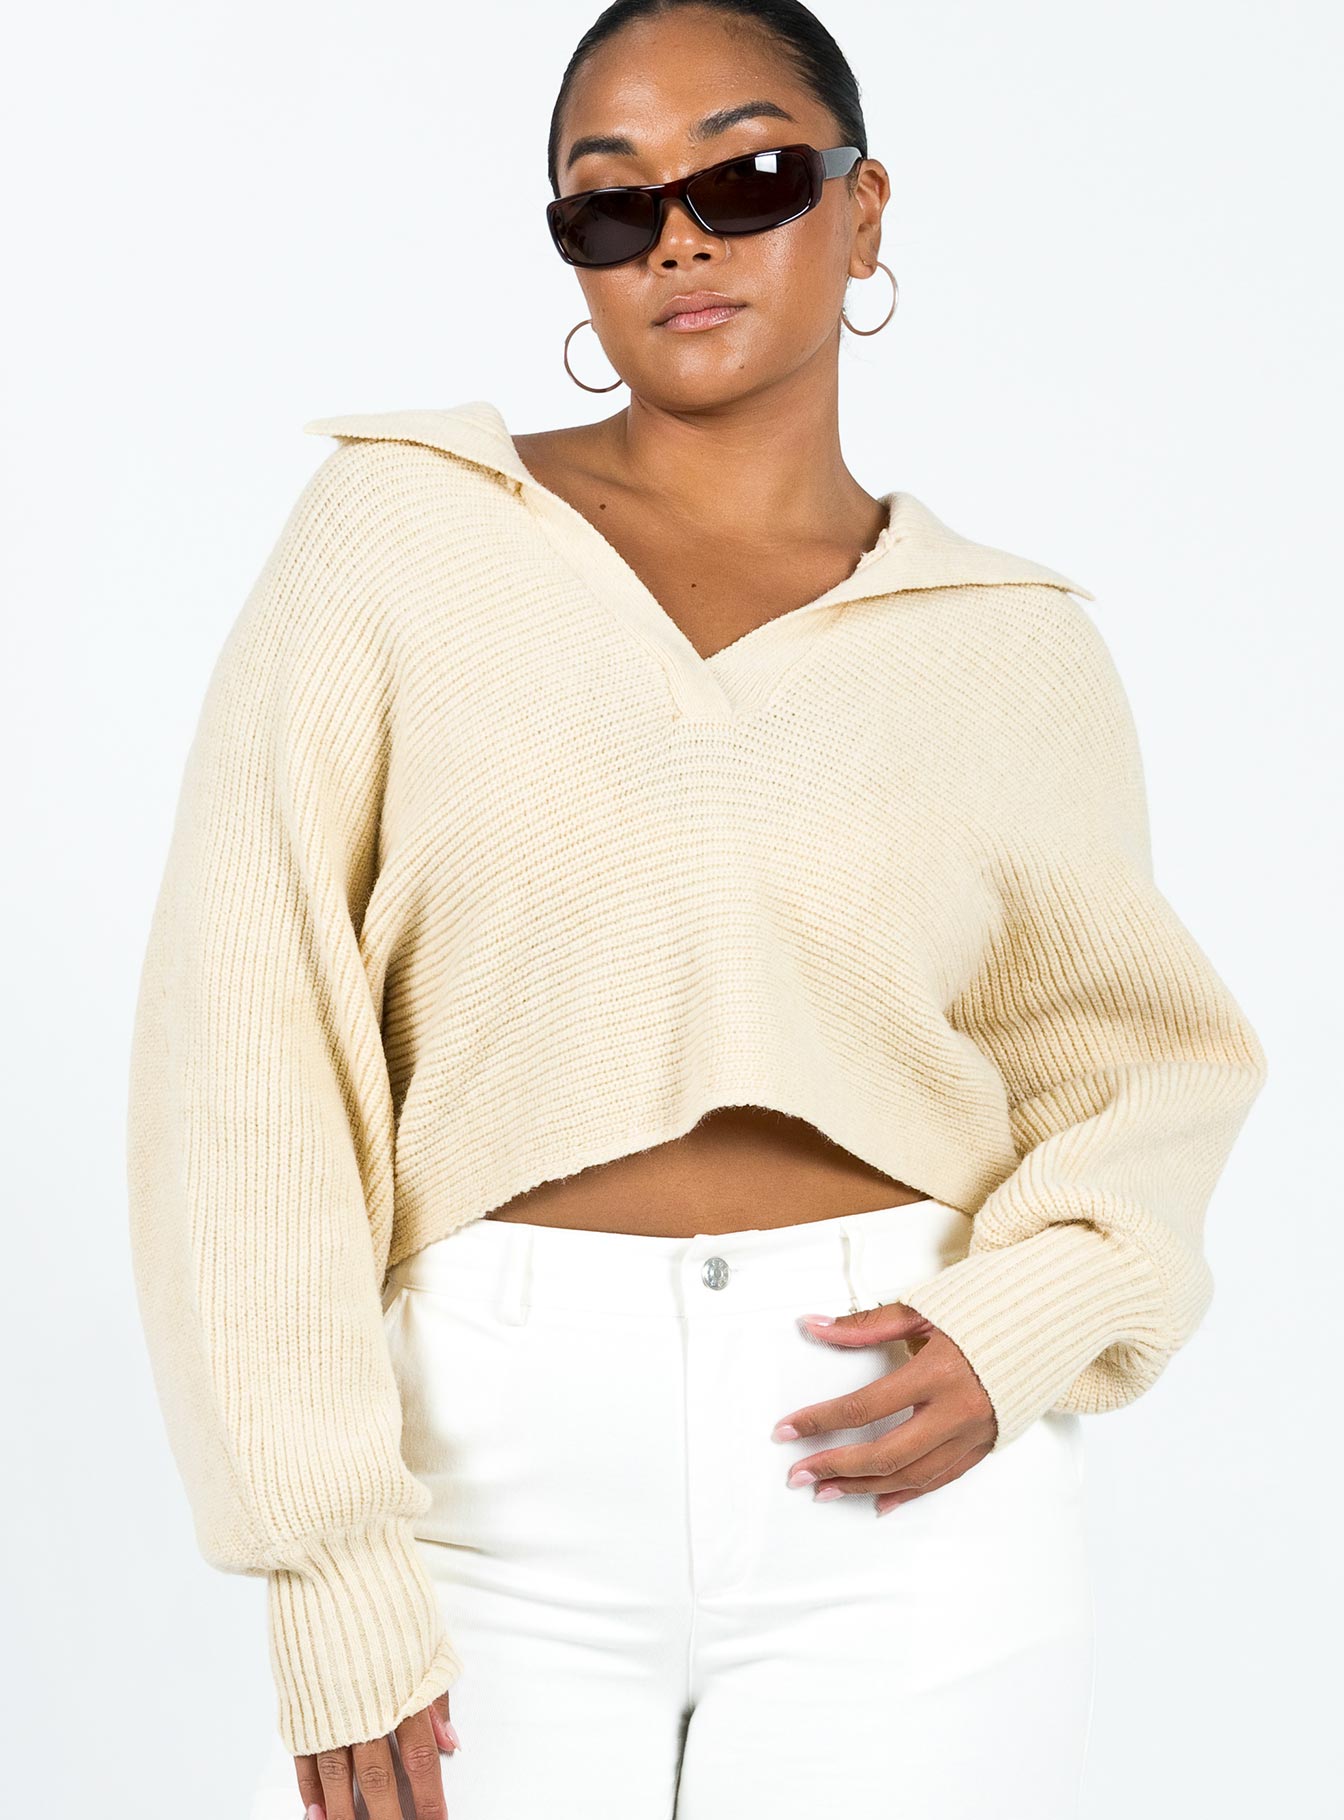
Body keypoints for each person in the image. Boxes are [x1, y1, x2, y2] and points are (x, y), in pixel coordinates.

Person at [125, 3, 1269, 1817]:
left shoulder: (1008, 644)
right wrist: (321, 1556)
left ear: (863, 210)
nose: (678, 238)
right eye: (612, 202)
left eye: (747, 178)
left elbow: (1145, 1071)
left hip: (905, 1474)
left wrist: (1030, 1319)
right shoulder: (399, 538)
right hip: (474, 1476)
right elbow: (244, 1045)